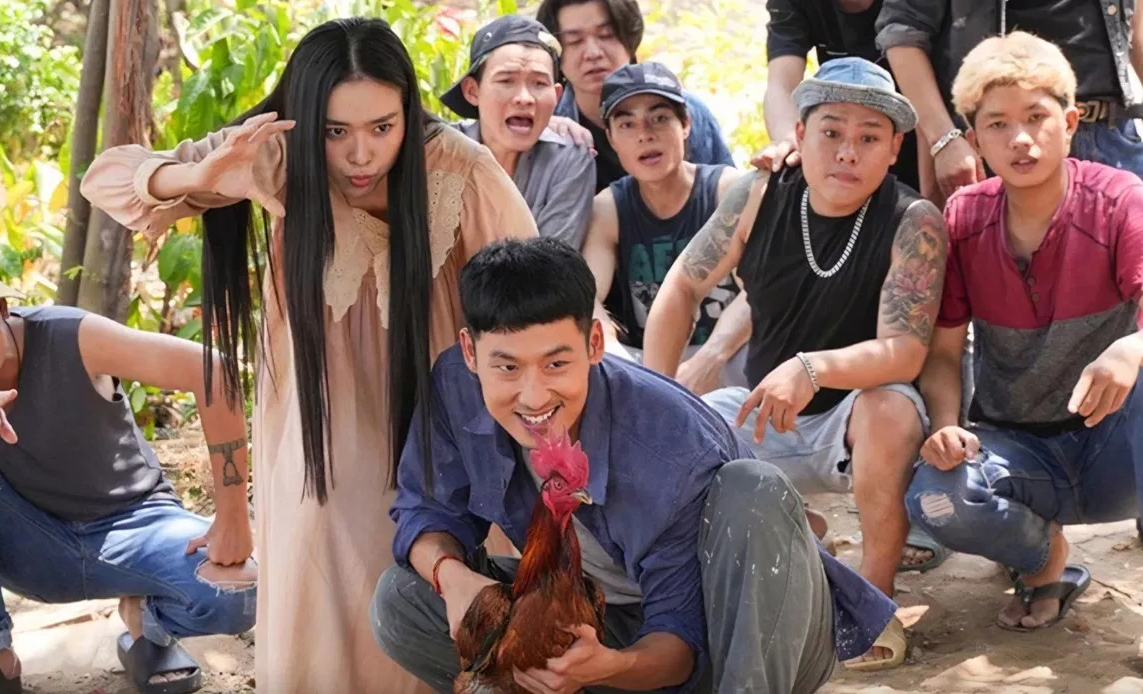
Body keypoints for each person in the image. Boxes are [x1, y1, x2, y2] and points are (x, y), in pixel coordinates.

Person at [80, 17, 539, 692]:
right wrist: (201, 174)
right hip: (319, 419)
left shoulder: (460, 170)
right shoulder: (274, 156)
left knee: (446, 571)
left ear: (408, 111)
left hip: (443, 419)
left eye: (382, 127)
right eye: (335, 131)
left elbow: (535, 290)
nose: (361, 154)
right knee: (324, 562)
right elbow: (108, 177)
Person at [369, 237, 896, 694]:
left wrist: (609, 668)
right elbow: (426, 510)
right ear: (470, 352)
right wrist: (451, 578)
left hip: (734, 636)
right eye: (506, 366)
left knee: (752, 488)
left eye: (556, 363)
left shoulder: (670, 444)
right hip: (602, 618)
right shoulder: (456, 387)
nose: (533, 396)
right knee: (401, 601)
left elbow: (681, 639)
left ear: (594, 343)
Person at [643, 56, 949, 671]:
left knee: (891, 410)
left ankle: (873, 604)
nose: (847, 152)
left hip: (854, 416)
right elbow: (682, 286)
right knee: (677, 439)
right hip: (764, 410)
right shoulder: (758, 194)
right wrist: (656, 392)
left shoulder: (913, 221)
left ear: (894, 149)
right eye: (831, 131)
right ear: (800, 133)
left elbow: (905, 349)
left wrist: (812, 369)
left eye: (869, 138)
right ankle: (797, 538)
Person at [0, 242, 257, 694]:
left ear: (1, 308)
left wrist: (232, 517)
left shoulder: (71, 336)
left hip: (136, 525)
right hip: (33, 546)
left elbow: (213, 370)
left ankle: (145, 622)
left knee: (241, 593)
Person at [906, 32, 1143, 632]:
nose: (1020, 138)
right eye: (997, 124)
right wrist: (945, 427)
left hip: (1116, 449)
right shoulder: (963, 218)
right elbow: (943, 353)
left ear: (1070, 122)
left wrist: (1131, 346)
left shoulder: (1120, 200)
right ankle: (1043, 560)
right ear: (974, 139)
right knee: (935, 497)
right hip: (1019, 452)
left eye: (1036, 117)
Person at [876, 0, 1143, 206]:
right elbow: (903, 33)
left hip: (1113, 135)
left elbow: (1135, 23)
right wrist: (944, 139)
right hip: (1004, 143)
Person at [581, 61, 750, 395]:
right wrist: (614, 352)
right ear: (611, 138)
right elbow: (587, 298)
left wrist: (709, 359)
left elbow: (760, 294)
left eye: (659, 118)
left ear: (685, 124)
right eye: (627, 124)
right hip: (650, 362)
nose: (645, 134)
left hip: (729, 353)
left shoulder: (726, 190)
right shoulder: (609, 207)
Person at [535, 0, 735, 191]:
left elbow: (731, 195)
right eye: (574, 41)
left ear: (630, 39)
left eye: (606, 35)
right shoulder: (545, 127)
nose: (593, 53)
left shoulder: (689, 111)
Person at [441, 14, 597, 249]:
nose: (524, 98)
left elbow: (551, 262)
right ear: (472, 91)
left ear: (556, 97)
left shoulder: (569, 158)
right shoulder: (439, 153)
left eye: (539, 83)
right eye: (506, 81)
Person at [759, 0, 919, 191]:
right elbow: (782, 85)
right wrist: (789, 143)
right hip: (839, 137)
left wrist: (942, 141)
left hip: (922, 133)